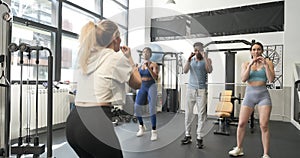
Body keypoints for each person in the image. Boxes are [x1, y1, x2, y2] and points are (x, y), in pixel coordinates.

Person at [65, 20, 141, 158]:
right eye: (120, 37)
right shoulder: (116, 58)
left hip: (73, 122)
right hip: (95, 123)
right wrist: (129, 58)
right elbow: (138, 83)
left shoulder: (87, 57)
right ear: (115, 39)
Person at [229, 42, 275, 158]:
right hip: (249, 95)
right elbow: (244, 79)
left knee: (264, 125)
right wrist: (250, 66)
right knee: (241, 123)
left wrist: (265, 65)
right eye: (254, 49)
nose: (256, 51)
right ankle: (239, 148)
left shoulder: (268, 62)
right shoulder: (245, 64)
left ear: (262, 51)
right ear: (251, 52)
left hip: (263, 96)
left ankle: (265, 154)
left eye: (258, 49)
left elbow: (271, 79)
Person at [181, 42, 213, 148]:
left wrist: (205, 57)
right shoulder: (191, 60)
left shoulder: (207, 60)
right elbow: (185, 71)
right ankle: (187, 135)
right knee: (188, 113)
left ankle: (199, 137)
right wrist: (188, 59)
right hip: (190, 89)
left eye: (199, 50)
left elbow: (209, 70)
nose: (197, 52)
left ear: (202, 50)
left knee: (201, 114)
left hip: (201, 90)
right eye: (195, 50)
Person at [134, 47, 159, 141]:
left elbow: (156, 77)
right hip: (142, 86)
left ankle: (154, 131)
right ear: (142, 54)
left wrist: (148, 67)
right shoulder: (140, 66)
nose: (145, 54)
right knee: (137, 107)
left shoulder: (154, 64)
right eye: (144, 52)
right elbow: (137, 78)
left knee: (152, 108)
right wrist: (135, 70)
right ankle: (141, 126)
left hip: (151, 86)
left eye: (147, 52)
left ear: (150, 54)